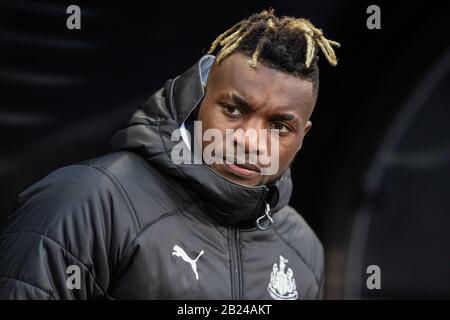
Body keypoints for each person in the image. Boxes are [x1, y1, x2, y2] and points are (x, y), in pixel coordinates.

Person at [0, 9, 339, 299]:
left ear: (302, 136)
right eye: (233, 110)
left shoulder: (303, 250)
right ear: (198, 101)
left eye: (279, 126)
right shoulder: (87, 202)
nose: (251, 141)